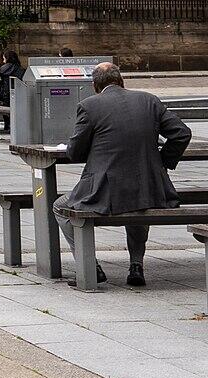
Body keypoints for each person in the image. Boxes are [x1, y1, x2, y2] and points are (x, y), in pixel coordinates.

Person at [51, 62, 190, 287]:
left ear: (95, 85)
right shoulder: (149, 100)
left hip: (105, 191)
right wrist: (161, 163)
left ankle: (90, 266)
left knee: (60, 207)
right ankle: (136, 264)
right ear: (122, 81)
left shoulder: (89, 106)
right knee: (138, 204)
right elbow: (182, 133)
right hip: (150, 187)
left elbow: (75, 152)